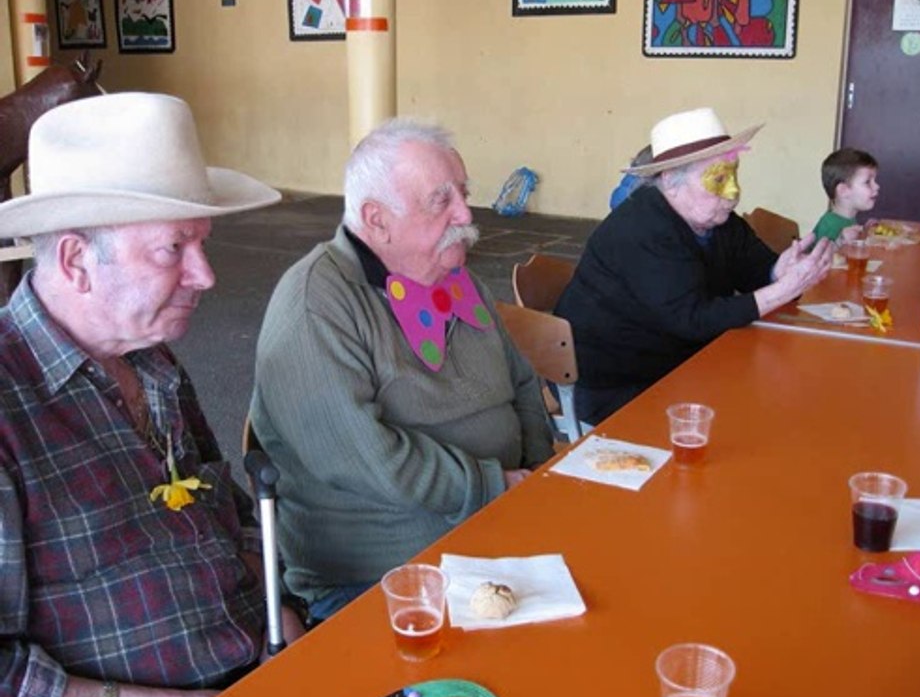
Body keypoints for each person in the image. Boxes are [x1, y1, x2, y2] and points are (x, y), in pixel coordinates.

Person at [0, 92, 305, 697]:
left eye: (203, 243)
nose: (207, 275)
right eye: (174, 248)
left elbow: (229, 516)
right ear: (77, 260)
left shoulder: (151, 359)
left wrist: (284, 619)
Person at [250, 118, 554, 622]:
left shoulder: (458, 277)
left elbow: (521, 384)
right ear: (377, 219)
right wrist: (496, 486)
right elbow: (366, 460)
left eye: (464, 193)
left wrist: (538, 482)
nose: (465, 213)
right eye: (442, 201)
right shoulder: (317, 303)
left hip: (499, 527)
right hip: (385, 575)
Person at [555, 107, 834, 425]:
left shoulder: (719, 222)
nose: (733, 192)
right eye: (718, 179)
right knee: (763, 414)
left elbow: (756, 270)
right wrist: (783, 290)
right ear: (671, 182)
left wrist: (779, 271)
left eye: (734, 174)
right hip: (619, 384)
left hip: (682, 361)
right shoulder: (641, 230)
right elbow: (692, 319)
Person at [812, 147, 880, 243]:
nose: (877, 186)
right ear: (844, 190)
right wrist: (840, 240)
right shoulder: (829, 225)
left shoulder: (847, 219)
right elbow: (820, 256)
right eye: (867, 182)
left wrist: (864, 231)